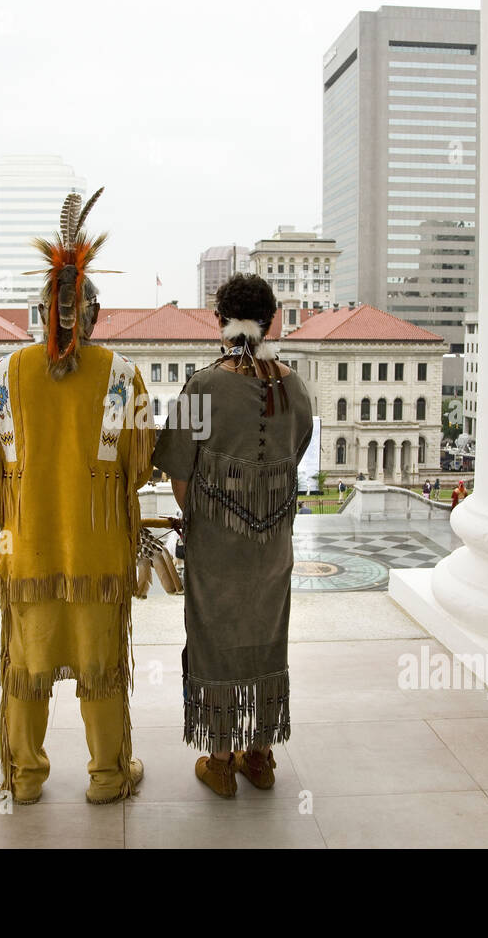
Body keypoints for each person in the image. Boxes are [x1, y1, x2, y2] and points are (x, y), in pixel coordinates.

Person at [0, 188, 152, 805]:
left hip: (26, 554)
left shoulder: (1, 380)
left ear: (42, 309)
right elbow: (139, 465)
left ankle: (25, 779)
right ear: (94, 315)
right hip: (98, 555)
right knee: (101, 671)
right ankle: (106, 777)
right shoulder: (125, 376)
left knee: (26, 672)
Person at [152, 272, 313, 798]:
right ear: (273, 321)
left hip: (216, 552)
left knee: (214, 645)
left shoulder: (202, 387)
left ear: (220, 324)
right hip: (274, 554)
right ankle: (261, 759)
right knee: (268, 644)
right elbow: (295, 456)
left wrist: (212, 518)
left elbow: (179, 476)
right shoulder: (296, 386)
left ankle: (220, 764)